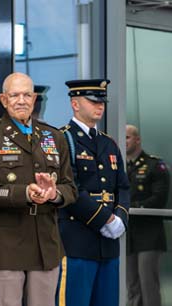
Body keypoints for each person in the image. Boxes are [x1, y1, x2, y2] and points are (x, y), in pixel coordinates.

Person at [0, 72, 77, 306]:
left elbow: (70, 187)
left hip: (45, 244)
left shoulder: (54, 136)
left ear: (34, 98)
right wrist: (25, 193)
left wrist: (54, 194)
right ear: (3, 99)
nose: (21, 100)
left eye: (27, 95)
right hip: (5, 245)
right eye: (15, 95)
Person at [56, 79, 130, 306]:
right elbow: (70, 188)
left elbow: (122, 186)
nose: (100, 106)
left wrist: (120, 219)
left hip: (108, 245)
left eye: (102, 102)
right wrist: (104, 218)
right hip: (77, 241)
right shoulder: (62, 139)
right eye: (92, 101)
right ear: (75, 104)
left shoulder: (108, 143)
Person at [125, 124, 169, 306]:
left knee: (148, 284)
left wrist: (132, 207)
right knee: (131, 286)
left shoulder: (154, 165)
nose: (124, 141)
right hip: (128, 234)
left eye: (127, 137)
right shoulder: (120, 165)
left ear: (137, 139)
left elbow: (159, 199)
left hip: (149, 234)